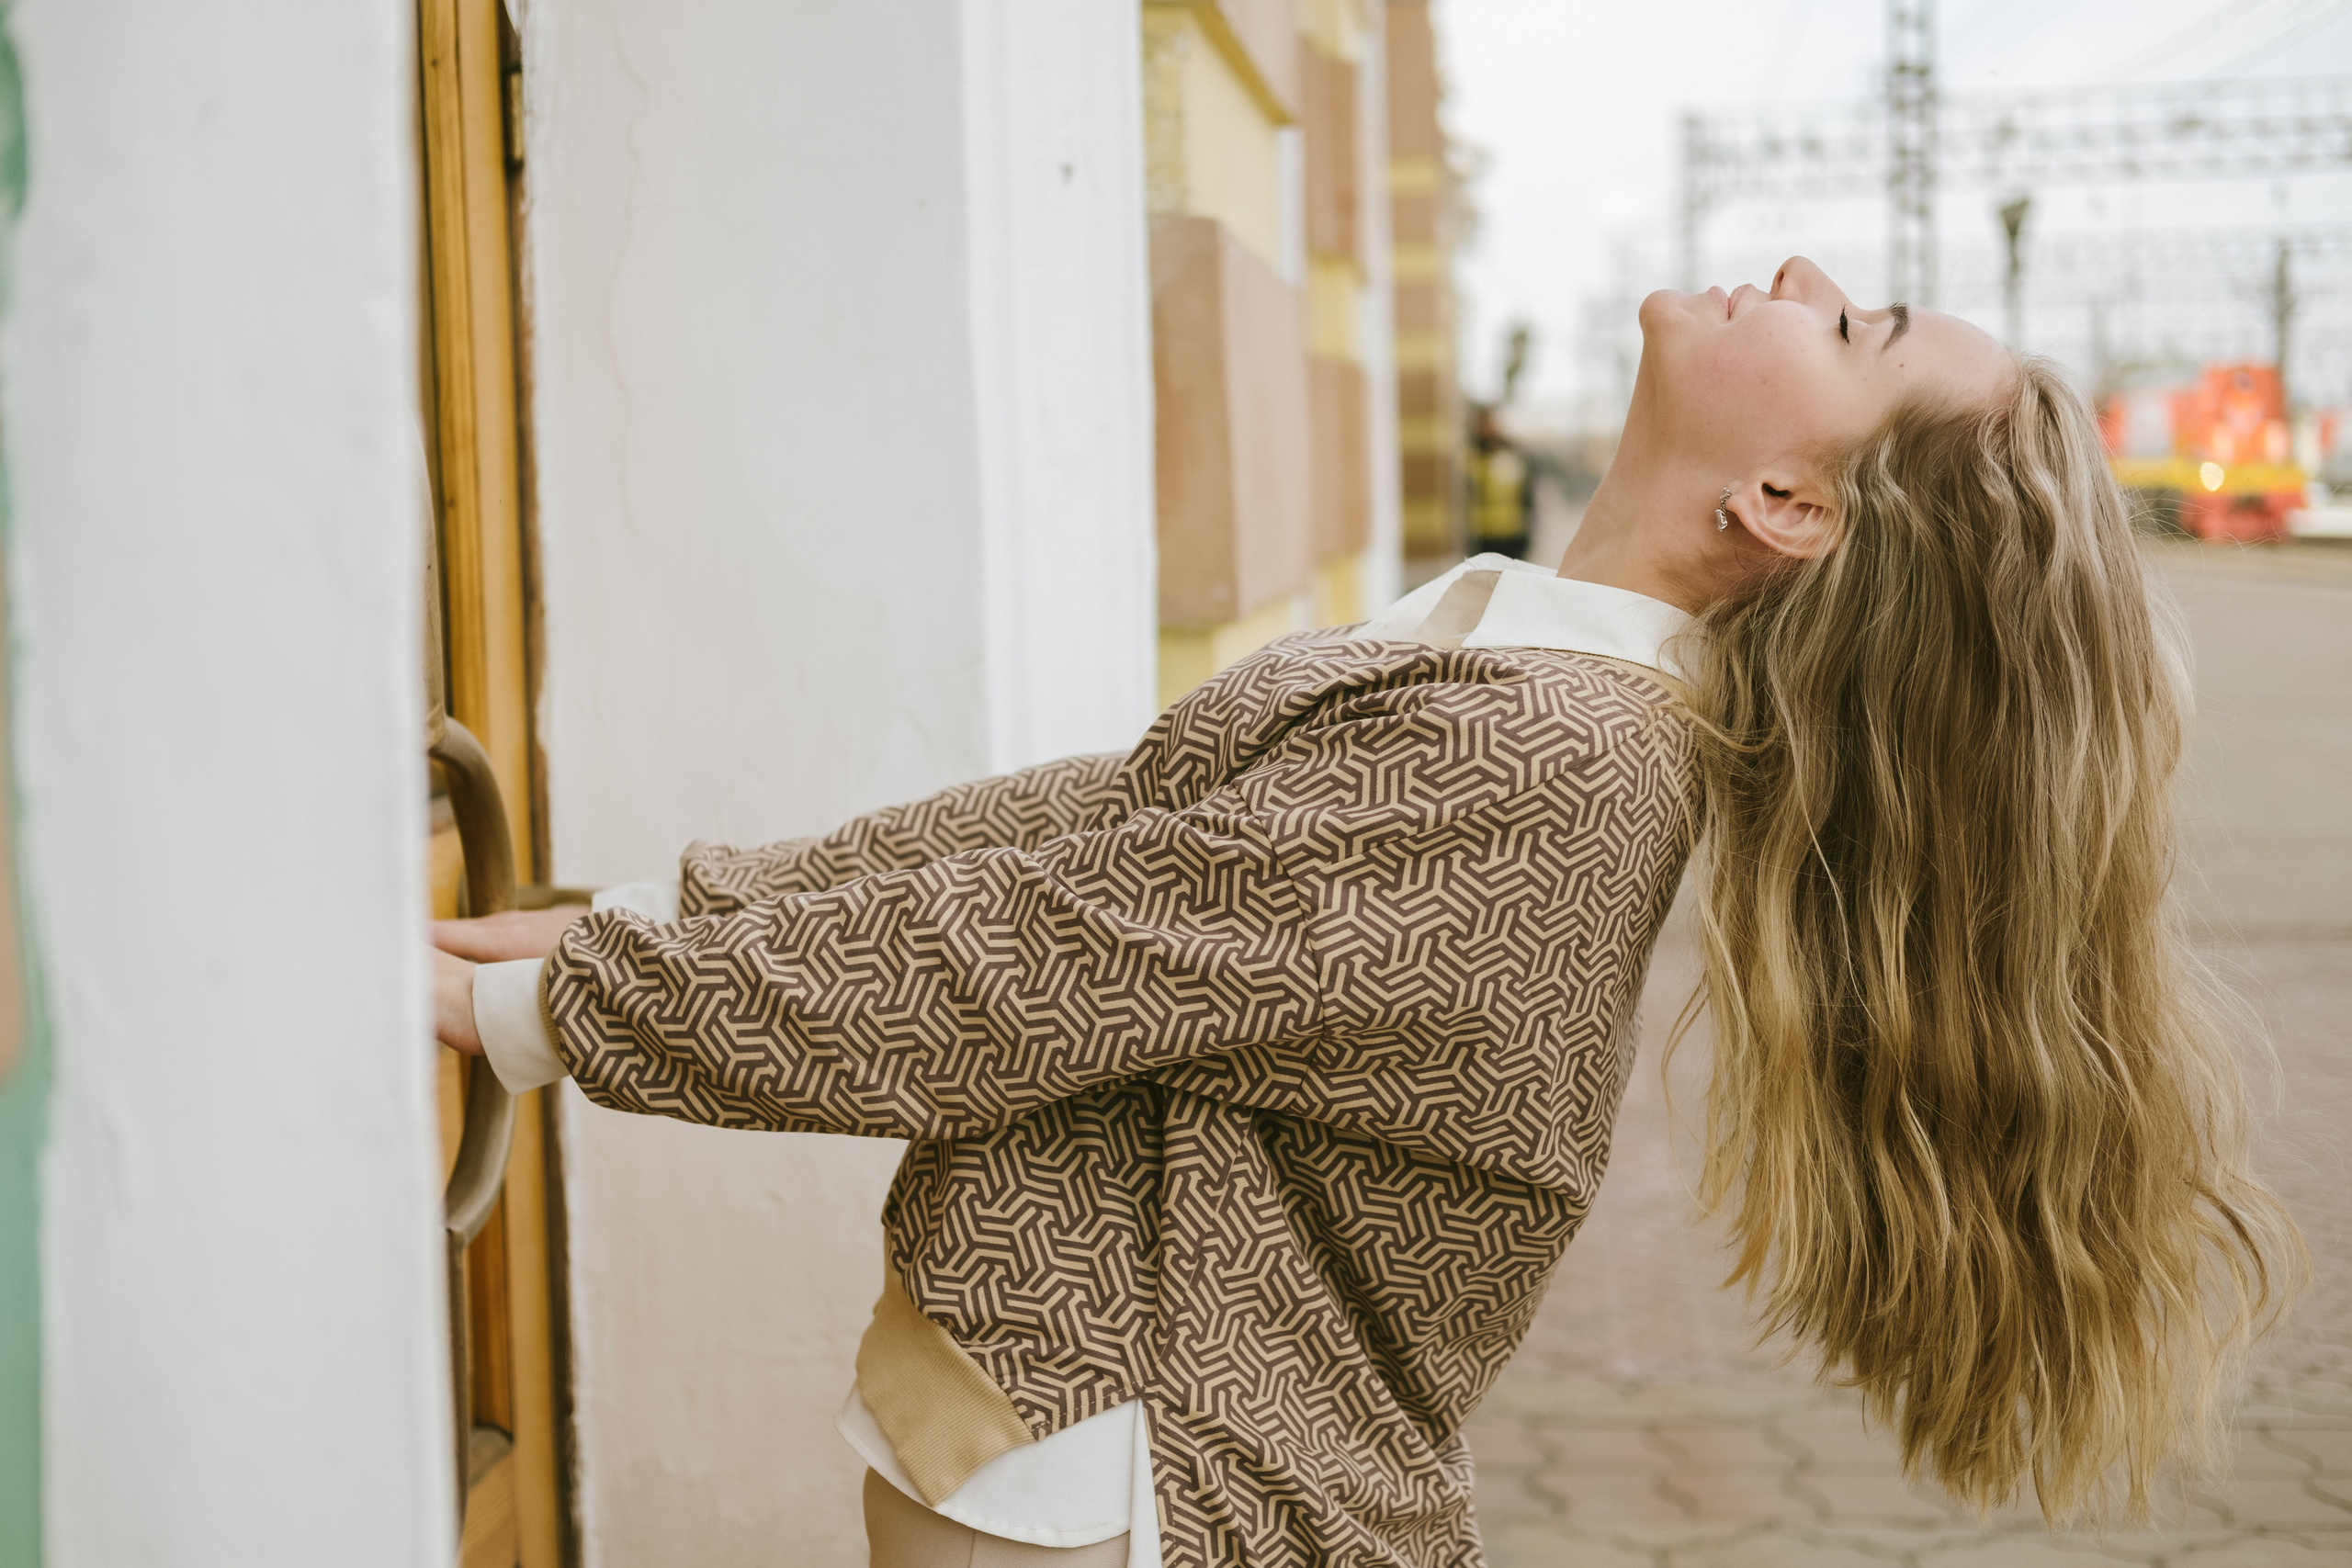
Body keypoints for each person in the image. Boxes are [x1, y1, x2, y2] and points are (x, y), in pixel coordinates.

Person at [433, 257, 2304, 1567]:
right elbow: (1091, 842)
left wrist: (558, 1010)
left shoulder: (1548, 761)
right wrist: (645, 922)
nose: (1801, 271)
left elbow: (1039, 960)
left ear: (1783, 502)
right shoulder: (1514, 672)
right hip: (1077, 1428)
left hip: (1136, 1473)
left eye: (1854, 323)